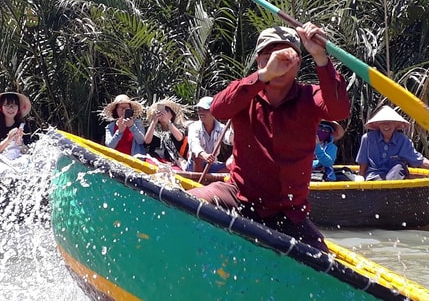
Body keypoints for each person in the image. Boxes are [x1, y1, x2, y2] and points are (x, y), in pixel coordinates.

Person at [188, 23, 348, 253]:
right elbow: (219, 109)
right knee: (182, 203)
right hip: (238, 196)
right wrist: (265, 75)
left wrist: (320, 57)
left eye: (285, 56)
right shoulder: (245, 93)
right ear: (258, 60)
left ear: (298, 63)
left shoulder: (309, 97)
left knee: (324, 263)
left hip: (288, 212)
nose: (278, 62)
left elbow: (339, 110)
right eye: (269, 55)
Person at [357, 105, 429, 181]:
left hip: (395, 177)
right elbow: (363, 162)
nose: (386, 125)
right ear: (377, 125)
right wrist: (360, 177)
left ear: (396, 125)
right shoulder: (367, 138)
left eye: (390, 122)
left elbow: (418, 160)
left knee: (399, 167)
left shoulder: (403, 140)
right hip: (374, 176)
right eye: (382, 122)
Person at [185, 96, 227, 173]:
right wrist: (204, 155)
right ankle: (198, 181)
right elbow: (194, 145)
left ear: (213, 111)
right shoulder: (194, 127)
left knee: (232, 165)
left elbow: (230, 140)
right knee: (197, 156)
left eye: (205, 110)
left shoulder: (222, 128)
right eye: (199, 109)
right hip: (194, 165)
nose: (201, 112)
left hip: (212, 165)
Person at [0, 91, 32, 160]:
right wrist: (8, 139)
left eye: (14, 105)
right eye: (7, 105)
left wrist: (20, 143)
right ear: (1, 107)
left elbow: (29, 152)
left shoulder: (23, 126)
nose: (11, 108)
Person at [143, 97, 187, 167]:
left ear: (172, 115)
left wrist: (168, 122)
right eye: (160, 111)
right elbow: (147, 141)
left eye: (166, 111)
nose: (163, 113)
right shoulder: (153, 127)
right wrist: (154, 122)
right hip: (154, 160)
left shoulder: (178, 127)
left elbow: (179, 138)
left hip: (173, 161)